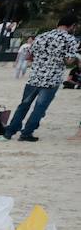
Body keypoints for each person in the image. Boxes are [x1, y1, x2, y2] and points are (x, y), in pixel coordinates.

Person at [5, 13, 80, 142]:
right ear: (72, 26)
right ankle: (26, 133)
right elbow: (68, 61)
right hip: (52, 78)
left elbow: (29, 56)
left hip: (35, 76)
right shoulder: (70, 39)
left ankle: (10, 130)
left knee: (24, 105)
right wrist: (76, 58)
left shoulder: (42, 36)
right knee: (39, 108)